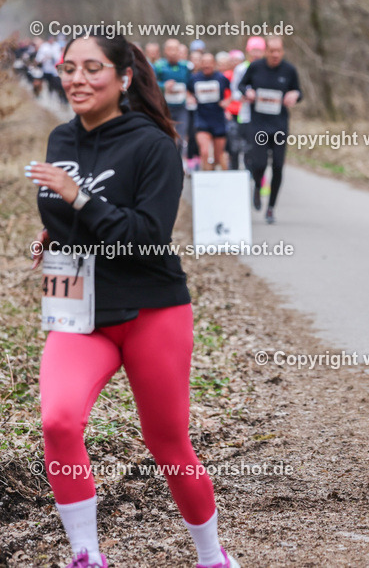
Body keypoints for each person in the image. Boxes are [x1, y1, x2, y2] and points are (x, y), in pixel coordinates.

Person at [24, 34, 239, 568]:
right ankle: (85, 554)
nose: (76, 78)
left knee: (167, 441)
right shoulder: (60, 140)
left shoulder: (154, 145)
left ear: (122, 78)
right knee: (58, 421)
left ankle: (212, 557)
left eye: (92, 68)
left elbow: (145, 235)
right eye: (69, 67)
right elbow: (63, 215)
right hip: (78, 307)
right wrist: (54, 236)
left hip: (152, 308)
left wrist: (80, 199)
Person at [237, 37, 301, 224]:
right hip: (258, 125)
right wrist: (246, 92)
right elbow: (241, 85)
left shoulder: (289, 70)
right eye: (271, 51)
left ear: (282, 52)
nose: (274, 54)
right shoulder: (255, 67)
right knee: (259, 164)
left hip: (279, 125)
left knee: (278, 166)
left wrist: (294, 95)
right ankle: (257, 186)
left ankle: (271, 207)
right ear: (266, 51)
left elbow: (298, 92)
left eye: (278, 51)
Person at [187, 53, 231, 170]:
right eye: (204, 62)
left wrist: (227, 102)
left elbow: (232, 91)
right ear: (201, 64)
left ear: (214, 64)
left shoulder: (221, 78)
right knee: (205, 151)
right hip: (202, 118)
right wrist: (190, 98)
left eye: (209, 62)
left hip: (218, 119)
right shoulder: (195, 78)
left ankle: (214, 176)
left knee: (218, 156)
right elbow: (188, 91)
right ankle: (205, 179)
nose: (206, 65)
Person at [227, 39, 264, 171]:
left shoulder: (266, 68)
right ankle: (244, 176)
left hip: (263, 116)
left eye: (259, 50)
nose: (256, 54)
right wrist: (244, 96)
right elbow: (235, 90)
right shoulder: (241, 68)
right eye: (254, 50)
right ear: (248, 51)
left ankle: (260, 179)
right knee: (245, 148)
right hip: (246, 114)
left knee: (260, 150)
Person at [153, 39, 190, 163]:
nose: (173, 52)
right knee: (166, 138)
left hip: (181, 108)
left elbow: (192, 84)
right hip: (164, 109)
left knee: (180, 139)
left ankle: (177, 163)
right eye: (170, 49)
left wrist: (190, 94)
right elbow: (150, 85)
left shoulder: (186, 67)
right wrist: (163, 86)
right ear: (165, 51)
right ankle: (165, 162)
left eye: (176, 49)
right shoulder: (158, 66)